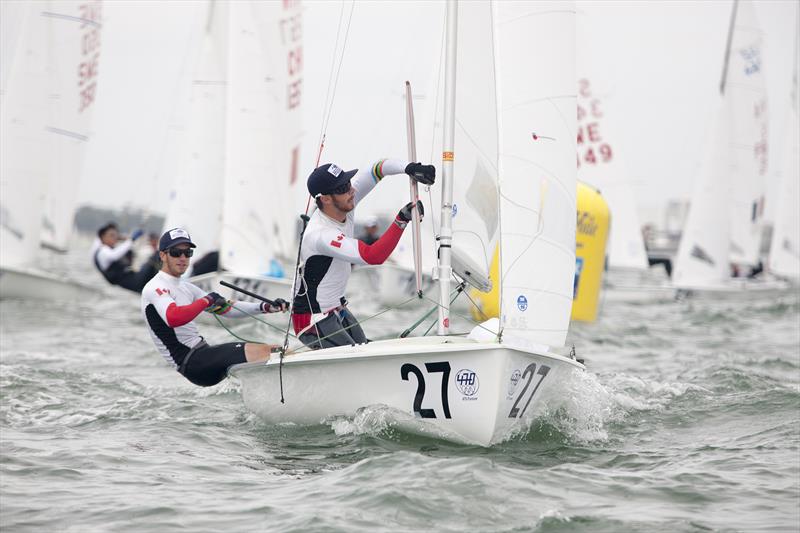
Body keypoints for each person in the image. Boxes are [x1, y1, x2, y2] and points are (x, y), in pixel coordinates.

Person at [291, 159, 434, 349]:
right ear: (325, 199)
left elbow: (376, 170)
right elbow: (373, 256)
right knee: (360, 358)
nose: (351, 191)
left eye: (348, 183)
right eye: (342, 188)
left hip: (337, 309)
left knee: (369, 350)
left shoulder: (343, 202)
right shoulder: (321, 234)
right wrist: (401, 219)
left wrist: (409, 168)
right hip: (312, 321)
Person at [141, 228, 288, 387]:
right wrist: (207, 300)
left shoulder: (186, 288)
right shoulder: (155, 287)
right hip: (192, 362)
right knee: (270, 352)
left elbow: (228, 309)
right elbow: (173, 318)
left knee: (273, 351)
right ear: (163, 255)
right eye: (176, 252)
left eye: (187, 253)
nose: (183, 258)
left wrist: (265, 307)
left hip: (203, 354)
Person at [92, 222, 160, 293]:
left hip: (136, 280)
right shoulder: (103, 251)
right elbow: (114, 255)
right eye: (111, 235)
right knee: (157, 255)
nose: (115, 238)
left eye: (116, 235)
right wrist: (132, 239)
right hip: (135, 282)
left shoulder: (110, 249)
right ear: (103, 237)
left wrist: (131, 238)